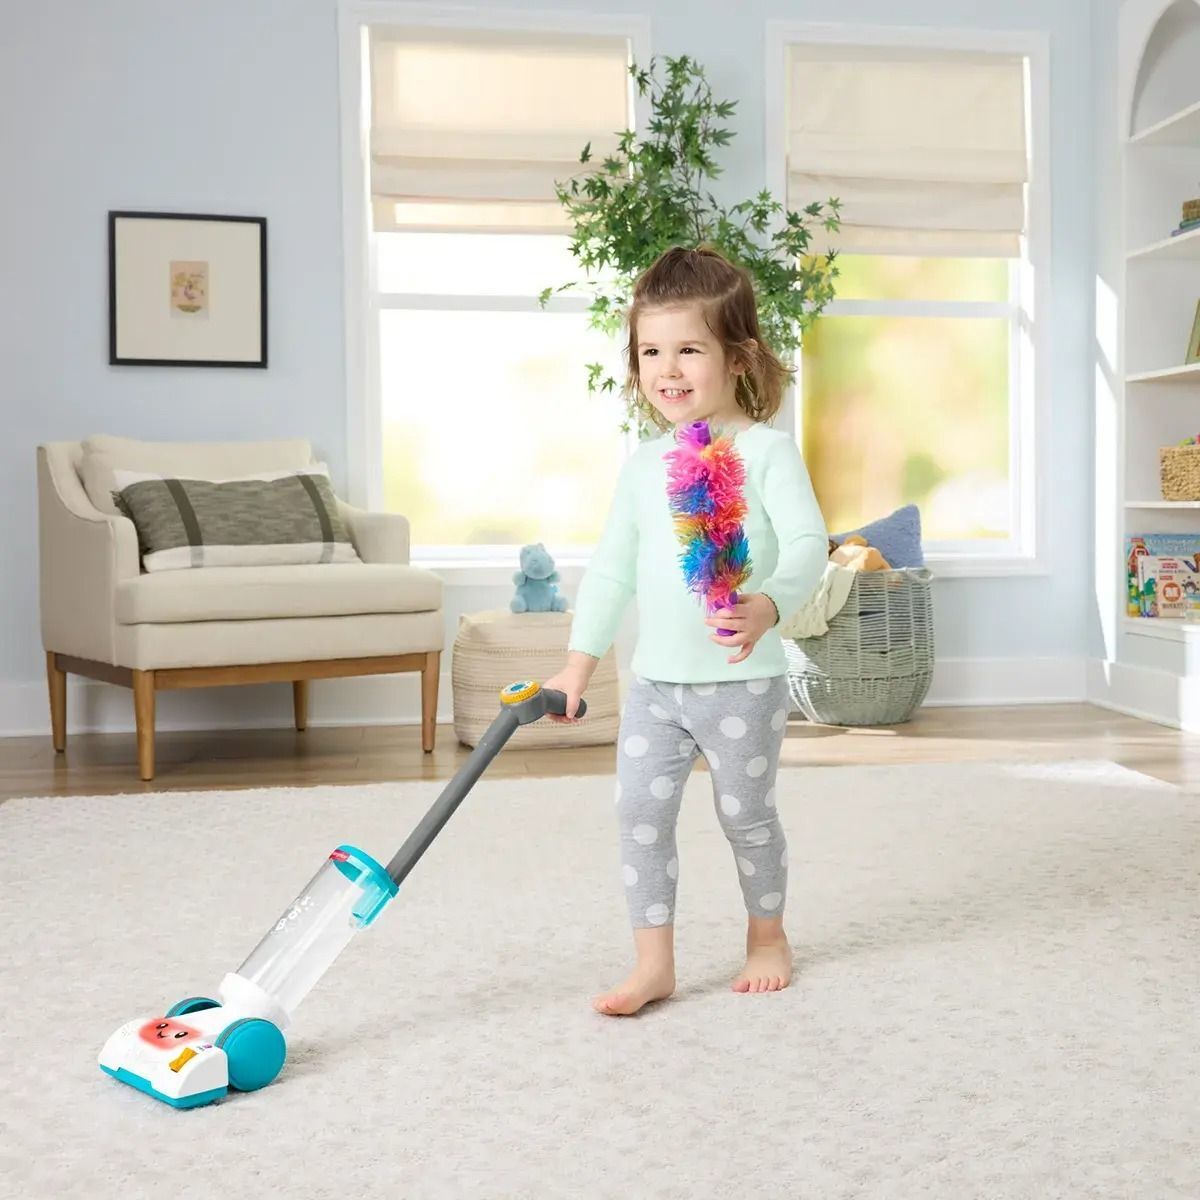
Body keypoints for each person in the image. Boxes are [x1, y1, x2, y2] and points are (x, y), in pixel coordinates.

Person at [542, 245, 828, 1016]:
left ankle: (767, 937)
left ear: (738, 357)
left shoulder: (767, 452)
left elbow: (808, 544)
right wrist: (577, 665)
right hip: (655, 687)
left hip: (742, 684)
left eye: (689, 349)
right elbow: (612, 571)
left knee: (746, 816)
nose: (667, 369)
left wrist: (769, 604)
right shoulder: (644, 466)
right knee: (639, 815)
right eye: (650, 351)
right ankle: (653, 964)